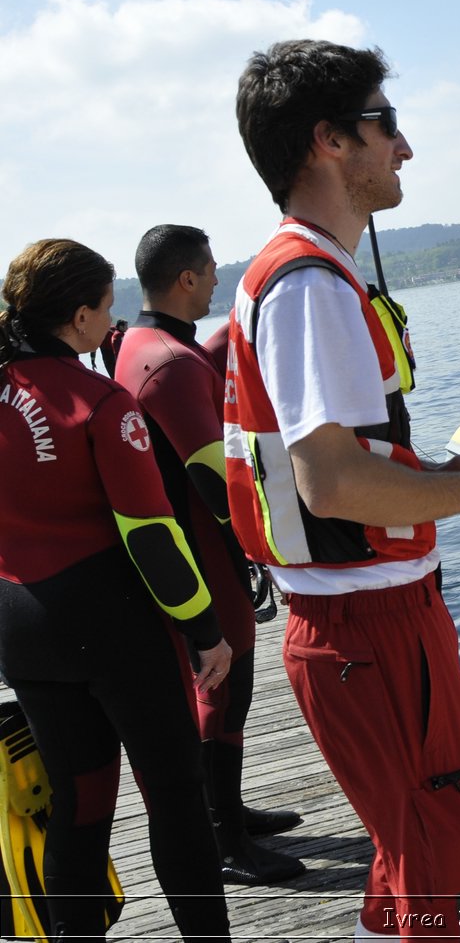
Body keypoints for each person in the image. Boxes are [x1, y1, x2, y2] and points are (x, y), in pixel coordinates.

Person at [228, 39, 460, 938]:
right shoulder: (310, 284)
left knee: (414, 858)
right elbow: (331, 483)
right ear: (330, 141)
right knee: (436, 869)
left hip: (367, 621)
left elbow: (342, 458)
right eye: (385, 124)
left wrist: (439, 475)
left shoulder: (299, 272)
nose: (405, 147)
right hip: (372, 633)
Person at [0, 238, 232, 940]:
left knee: (80, 798)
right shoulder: (102, 402)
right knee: (175, 798)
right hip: (110, 624)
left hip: (18, 623)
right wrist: (206, 629)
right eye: (105, 308)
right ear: (76, 317)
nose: (113, 322)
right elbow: (151, 538)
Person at [116, 223, 305, 886]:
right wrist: (252, 552)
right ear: (186, 278)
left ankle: (228, 809)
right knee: (227, 689)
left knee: (228, 693)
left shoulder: (140, 344)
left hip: (189, 545)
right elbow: (214, 481)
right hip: (198, 550)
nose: (218, 280)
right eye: (210, 269)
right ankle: (224, 839)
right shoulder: (168, 360)